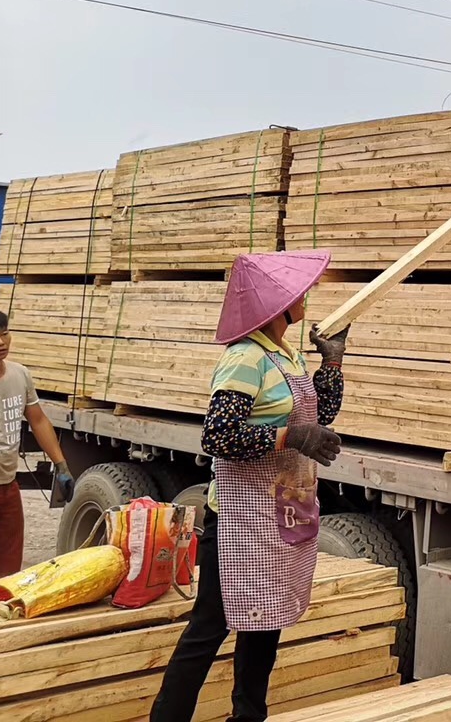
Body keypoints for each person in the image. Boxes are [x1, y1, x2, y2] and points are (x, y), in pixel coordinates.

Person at [149, 251, 350, 722]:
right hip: (239, 519)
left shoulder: (289, 354)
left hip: (281, 509)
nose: (305, 296)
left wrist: (333, 367)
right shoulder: (244, 359)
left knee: (265, 625)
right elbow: (218, 436)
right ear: (276, 305)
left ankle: (247, 717)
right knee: (210, 628)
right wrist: (289, 436)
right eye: (296, 292)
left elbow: (318, 420)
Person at [0, 307, 75, 579]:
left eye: (5, 335)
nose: (0, 343)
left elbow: (38, 420)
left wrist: (61, 465)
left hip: (7, 487)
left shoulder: (19, 375)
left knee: (7, 575)